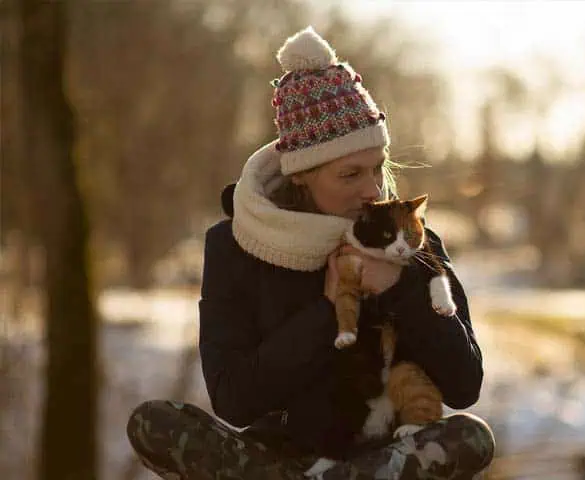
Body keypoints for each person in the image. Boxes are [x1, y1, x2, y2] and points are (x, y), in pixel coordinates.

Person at [126, 26, 495, 479]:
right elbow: (234, 399)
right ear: (301, 174)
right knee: (152, 423)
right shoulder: (235, 247)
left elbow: (465, 384)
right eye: (350, 174)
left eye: (378, 168)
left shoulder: (412, 244)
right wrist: (328, 310)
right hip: (274, 455)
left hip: (385, 456)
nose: (372, 190)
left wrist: (398, 287)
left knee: (471, 437)